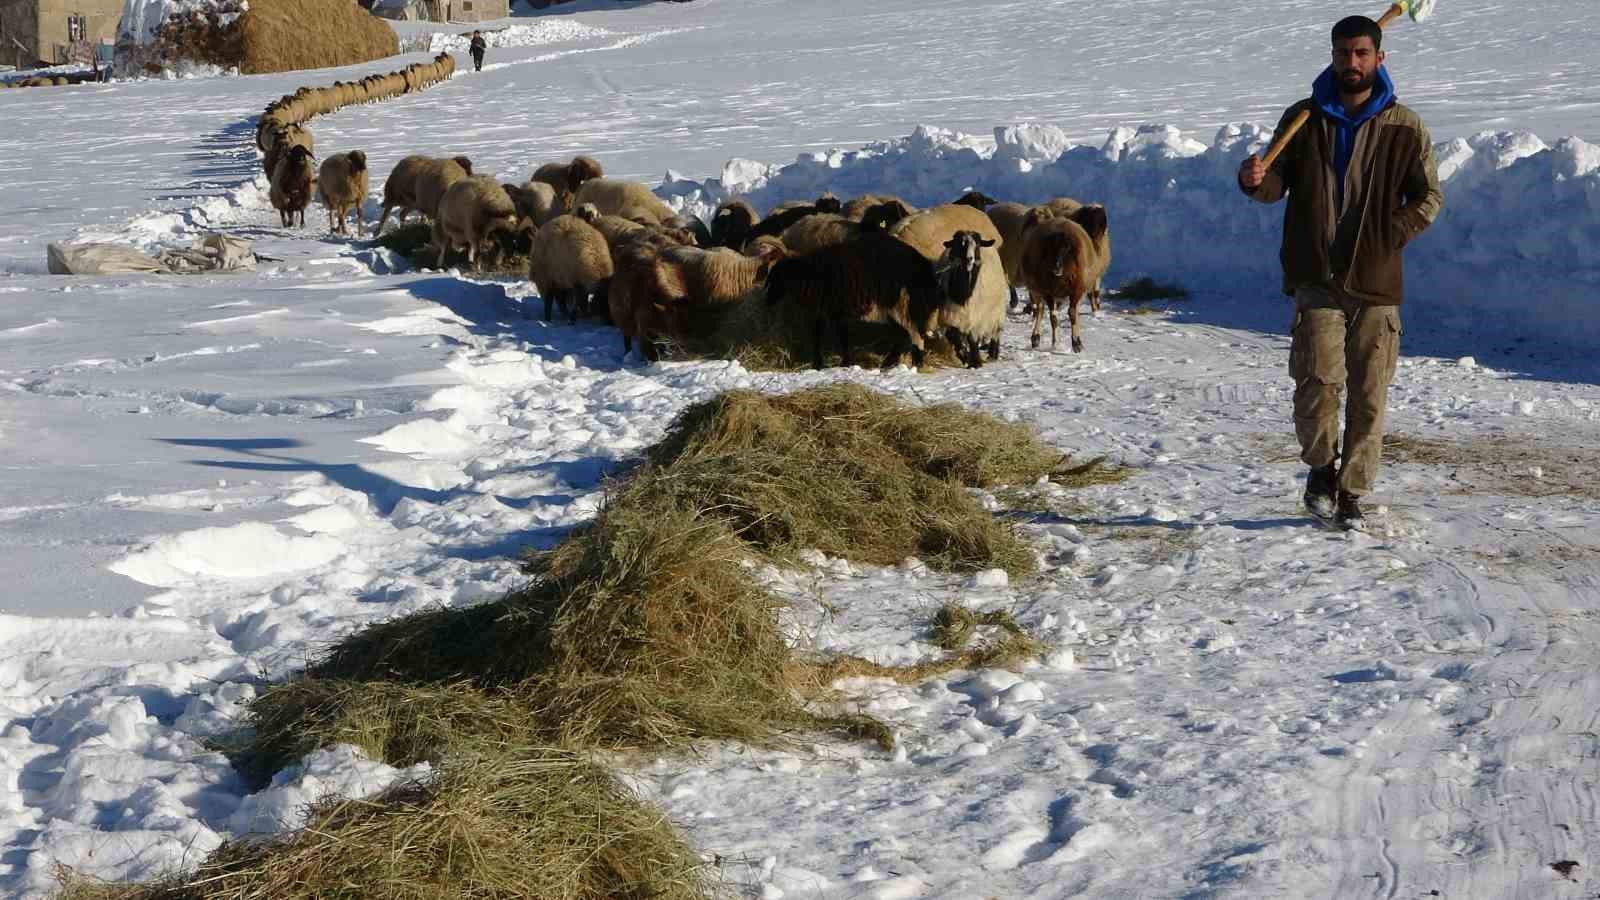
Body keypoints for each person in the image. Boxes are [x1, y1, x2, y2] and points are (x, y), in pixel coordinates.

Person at [1238, 15, 1443, 532]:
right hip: (1317, 275)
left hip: (1376, 281)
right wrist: (1254, 179)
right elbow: (1274, 183)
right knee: (1317, 382)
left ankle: (1352, 493)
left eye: (1361, 53)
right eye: (1342, 53)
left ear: (1379, 58)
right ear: (1332, 56)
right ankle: (1320, 470)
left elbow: (1428, 197)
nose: (1351, 62)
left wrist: (1390, 233)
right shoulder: (1303, 118)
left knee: (1370, 394)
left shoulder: (1405, 126)